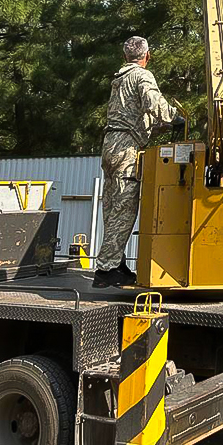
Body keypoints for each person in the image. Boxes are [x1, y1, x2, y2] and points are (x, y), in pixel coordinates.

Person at [93, 35, 178, 288]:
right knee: (124, 210)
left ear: (124, 56)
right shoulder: (142, 76)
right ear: (147, 56)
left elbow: (132, 114)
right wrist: (174, 118)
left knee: (111, 207)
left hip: (110, 145)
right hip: (127, 149)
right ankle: (106, 270)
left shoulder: (119, 79)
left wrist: (154, 126)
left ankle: (115, 263)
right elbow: (155, 104)